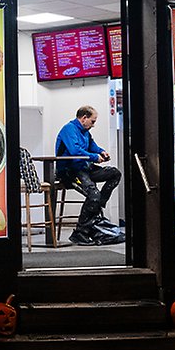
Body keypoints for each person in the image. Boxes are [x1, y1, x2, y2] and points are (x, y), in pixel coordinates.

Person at [55, 105, 123, 246]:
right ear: (84, 118)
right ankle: (80, 232)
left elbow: (92, 146)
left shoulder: (85, 131)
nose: (93, 125)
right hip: (70, 171)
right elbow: (75, 150)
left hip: (85, 169)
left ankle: (97, 207)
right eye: (92, 121)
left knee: (115, 173)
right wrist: (94, 157)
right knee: (94, 195)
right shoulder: (69, 129)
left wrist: (102, 152)